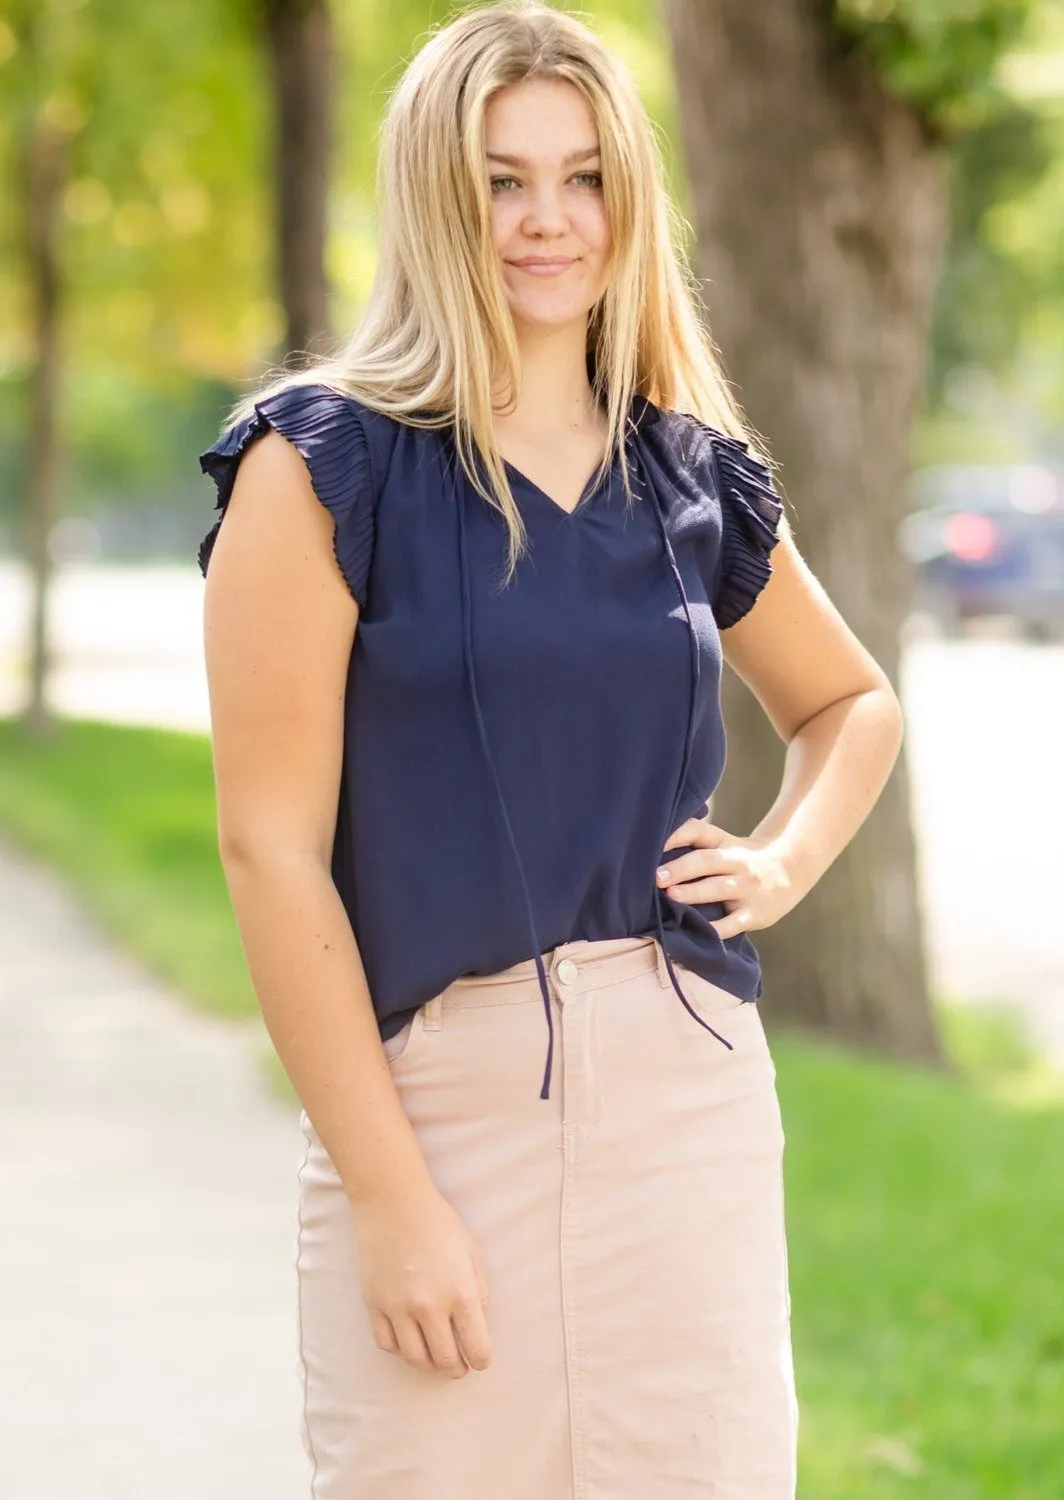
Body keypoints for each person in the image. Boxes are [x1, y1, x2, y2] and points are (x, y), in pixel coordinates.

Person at [196, 3, 904, 1496]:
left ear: (627, 200)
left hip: (686, 1104)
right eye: (501, 180)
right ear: (433, 198)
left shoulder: (687, 476)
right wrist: (392, 1198)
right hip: (436, 1110)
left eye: (583, 177)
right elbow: (270, 849)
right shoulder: (323, 465)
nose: (545, 220)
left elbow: (853, 706)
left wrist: (780, 858)